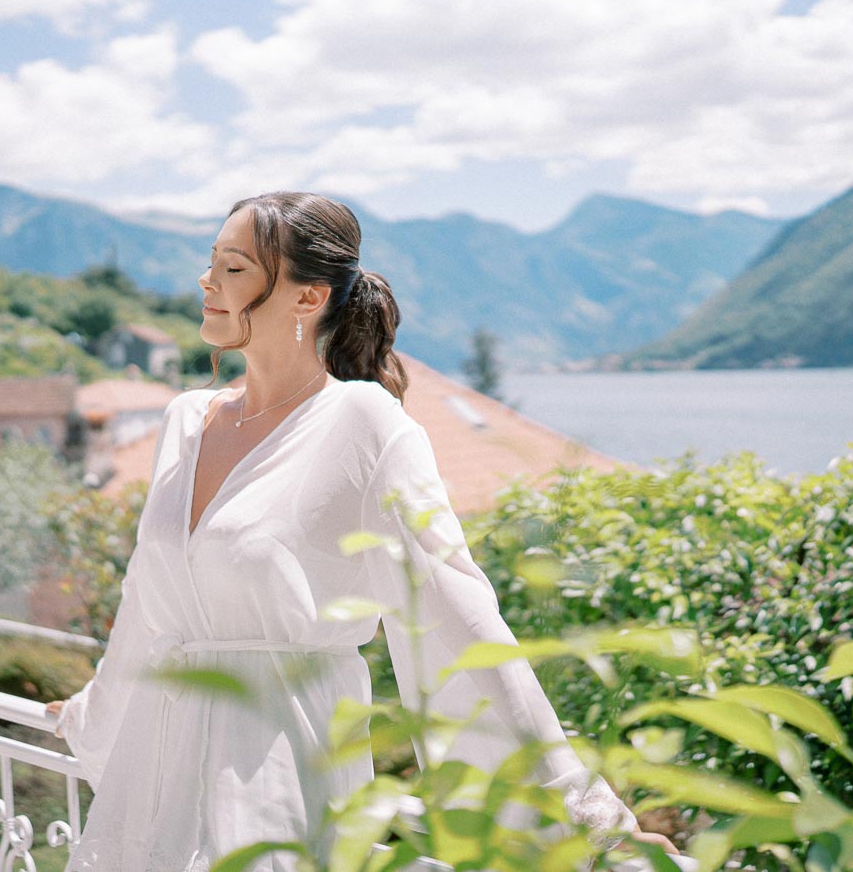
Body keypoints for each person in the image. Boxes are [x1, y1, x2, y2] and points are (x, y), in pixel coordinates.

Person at [45, 192, 678, 870]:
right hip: (152, 783)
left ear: (308, 297)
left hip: (278, 778)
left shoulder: (361, 424)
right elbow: (147, 605)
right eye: (212, 264)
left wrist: (585, 815)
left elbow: (455, 617)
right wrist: (92, 712)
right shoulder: (185, 422)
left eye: (233, 268)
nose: (207, 282)